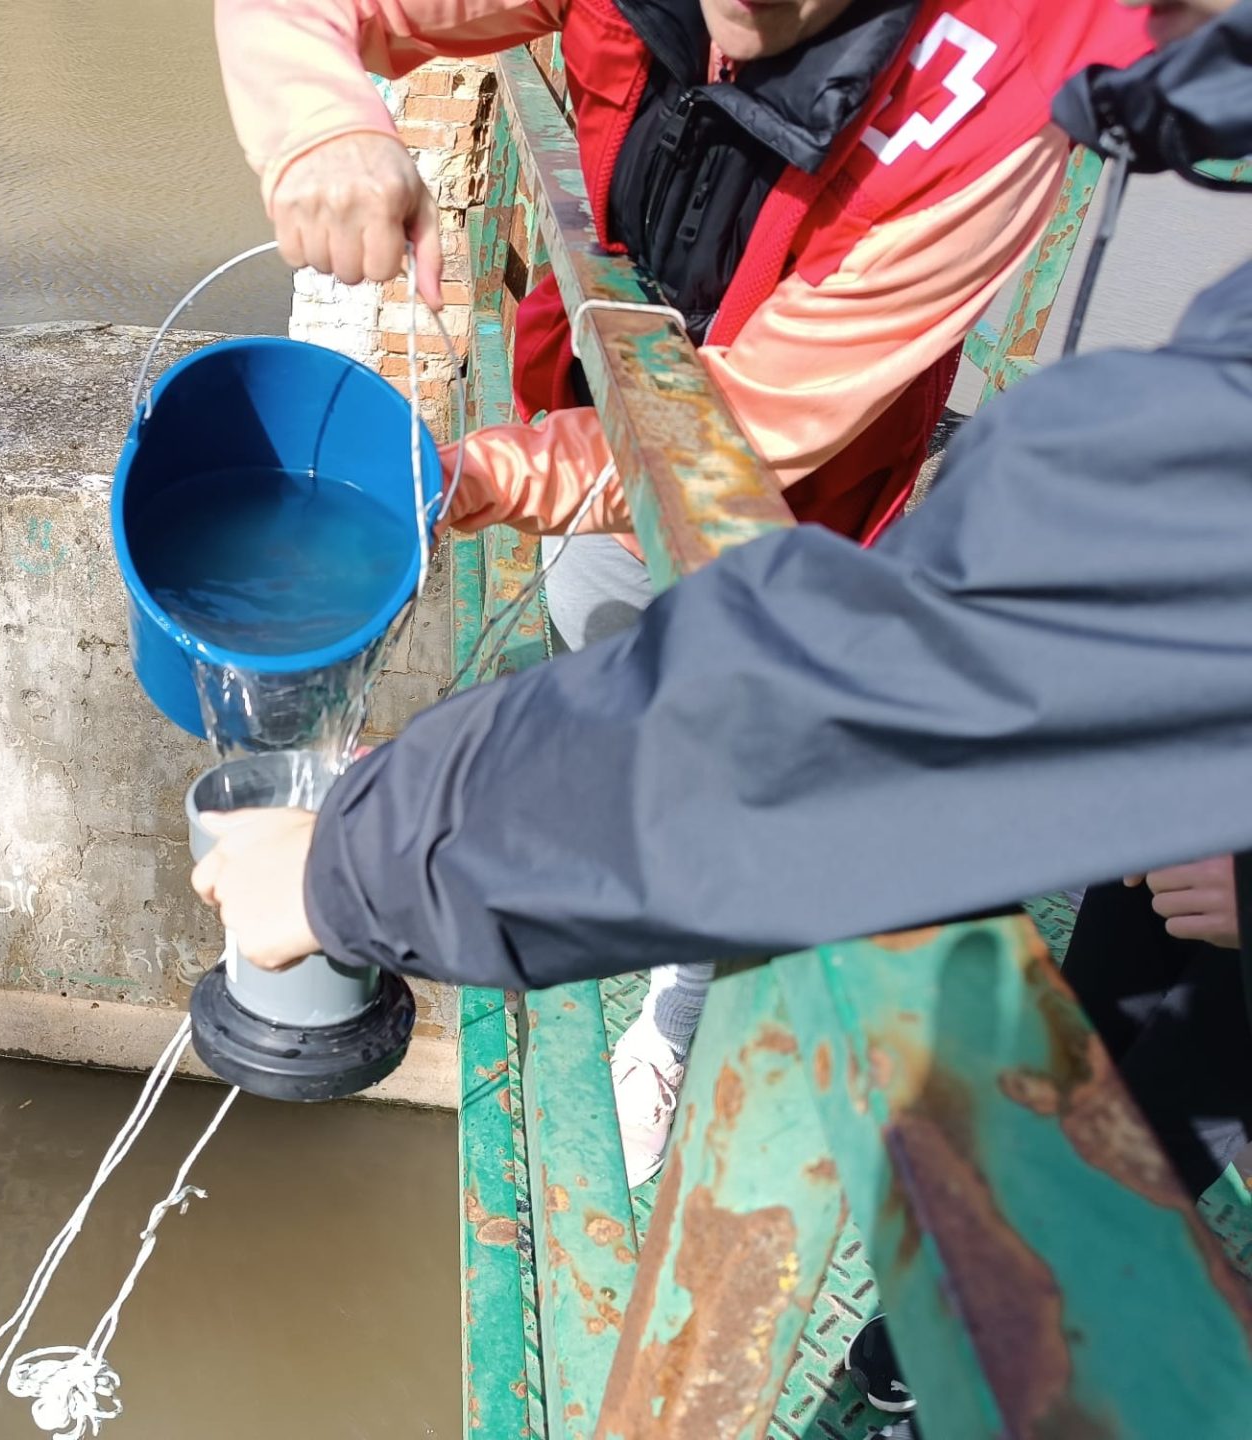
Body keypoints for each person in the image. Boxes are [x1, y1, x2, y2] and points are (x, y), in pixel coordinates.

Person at [216, 0, 1154, 1183]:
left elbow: (748, 435)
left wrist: (487, 474)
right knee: (595, 644)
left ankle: (673, 1013)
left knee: (721, 759)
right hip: (590, 404)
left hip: (783, 504)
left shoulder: (1002, 103)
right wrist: (320, 127)